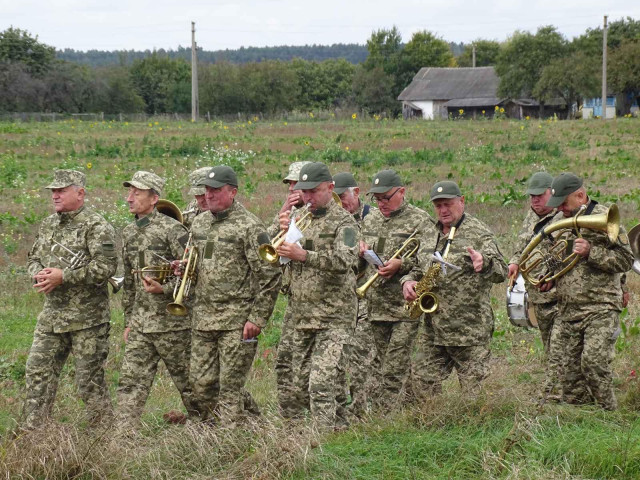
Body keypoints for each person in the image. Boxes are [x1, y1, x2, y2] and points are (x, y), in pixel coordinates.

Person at [24, 169, 117, 429]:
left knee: (89, 381)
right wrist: (38, 274)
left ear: (80, 193)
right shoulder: (48, 224)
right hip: (52, 317)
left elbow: (106, 267)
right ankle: (33, 433)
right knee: (37, 373)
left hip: (87, 319)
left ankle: (102, 435)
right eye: (53, 191)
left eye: (61, 191)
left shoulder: (96, 225)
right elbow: (33, 258)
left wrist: (64, 276)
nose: (55, 195)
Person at [189, 165, 281, 425]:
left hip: (237, 321)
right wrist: (183, 268)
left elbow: (270, 275)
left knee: (230, 386)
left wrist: (257, 318)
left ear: (233, 192)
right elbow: (198, 264)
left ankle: (230, 439)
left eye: (216, 190)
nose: (209, 195)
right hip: (203, 319)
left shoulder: (250, 226)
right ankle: (254, 423)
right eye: (207, 189)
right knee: (200, 384)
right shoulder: (199, 223)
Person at [274, 162, 359, 427]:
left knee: (320, 383)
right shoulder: (299, 217)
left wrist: (304, 255)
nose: (308, 197)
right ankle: (341, 429)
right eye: (304, 191)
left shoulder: (345, 222)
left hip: (335, 317)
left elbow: (346, 260)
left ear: (330, 188)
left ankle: (321, 439)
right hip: (303, 315)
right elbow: (275, 256)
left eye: (314, 191)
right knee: (301, 383)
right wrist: (282, 233)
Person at [403, 181, 507, 395]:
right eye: (438, 206)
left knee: (475, 394)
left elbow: (502, 271)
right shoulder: (428, 231)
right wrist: (409, 280)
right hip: (433, 329)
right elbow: (418, 266)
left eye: (448, 204)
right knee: (421, 384)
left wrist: (484, 263)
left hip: (469, 331)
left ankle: (472, 418)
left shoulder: (478, 233)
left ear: (462, 201)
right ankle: (433, 416)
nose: (443, 210)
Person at [543, 173, 633, 410]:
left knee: (593, 363)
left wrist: (592, 252)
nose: (560, 209)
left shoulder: (605, 218)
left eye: (564, 203)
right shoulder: (559, 221)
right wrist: (548, 277)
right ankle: (581, 416)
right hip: (567, 310)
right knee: (568, 373)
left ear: (580, 195)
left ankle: (609, 414)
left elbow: (626, 260)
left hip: (600, 308)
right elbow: (553, 257)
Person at [117, 171, 199, 426]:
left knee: (191, 385)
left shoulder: (173, 230)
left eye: (137, 193)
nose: (129, 198)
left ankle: (207, 429)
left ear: (154, 198)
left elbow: (193, 274)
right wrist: (129, 321)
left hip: (173, 325)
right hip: (141, 326)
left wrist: (163, 289)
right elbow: (129, 283)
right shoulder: (128, 232)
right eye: (129, 192)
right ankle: (122, 437)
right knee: (130, 383)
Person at [358, 169, 435, 408]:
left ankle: (384, 418)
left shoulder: (420, 220)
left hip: (404, 307)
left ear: (401, 192)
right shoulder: (370, 220)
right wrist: (359, 252)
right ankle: (417, 407)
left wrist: (401, 265)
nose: (381, 203)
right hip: (376, 305)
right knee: (384, 363)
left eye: (386, 198)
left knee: (393, 368)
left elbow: (428, 262)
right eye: (376, 199)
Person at [507, 172, 562, 399]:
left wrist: (553, 276)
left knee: (559, 346)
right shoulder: (531, 216)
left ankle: (553, 392)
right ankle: (564, 389)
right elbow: (521, 246)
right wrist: (514, 262)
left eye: (540, 195)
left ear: (552, 193)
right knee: (549, 345)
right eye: (532, 196)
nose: (535, 200)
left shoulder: (564, 216)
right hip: (539, 296)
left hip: (561, 295)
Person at [270, 161, 311, 418]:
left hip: (320, 303)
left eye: (296, 184)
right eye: (290, 184)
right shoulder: (292, 213)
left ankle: (322, 420)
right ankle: (290, 420)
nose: (292, 189)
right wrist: (283, 212)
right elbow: (266, 244)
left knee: (312, 367)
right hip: (294, 300)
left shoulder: (324, 214)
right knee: (284, 362)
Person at [333, 172, 375, 419]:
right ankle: (340, 409)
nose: (340, 203)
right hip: (339, 299)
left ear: (356, 192)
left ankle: (360, 411)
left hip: (368, 298)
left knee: (361, 357)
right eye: (335, 198)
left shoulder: (373, 218)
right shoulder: (333, 220)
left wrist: (367, 253)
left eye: (343, 197)